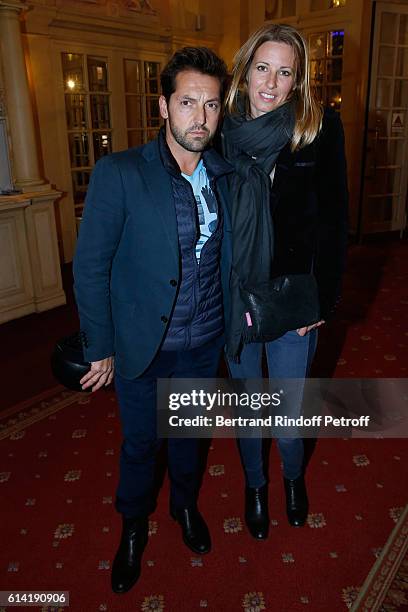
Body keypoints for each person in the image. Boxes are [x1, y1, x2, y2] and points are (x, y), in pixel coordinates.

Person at [73, 47, 232, 593]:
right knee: (143, 445)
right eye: (188, 102)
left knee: (189, 441)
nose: (200, 118)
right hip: (146, 343)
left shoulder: (226, 173)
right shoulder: (120, 173)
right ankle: (133, 527)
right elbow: (91, 266)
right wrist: (100, 344)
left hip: (204, 341)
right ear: (163, 106)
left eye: (211, 104)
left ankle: (184, 509)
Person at [222, 24, 348, 540]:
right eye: (262, 68)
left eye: (285, 72)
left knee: (289, 417)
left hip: (293, 301)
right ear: (246, 70)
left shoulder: (319, 128)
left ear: (297, 81)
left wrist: (325, 300)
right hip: (234, 299)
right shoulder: (217, 132)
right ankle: (256, 486)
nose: (271, 83)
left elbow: (335, 221)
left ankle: (292, 478)